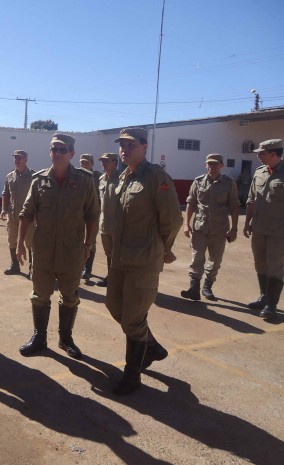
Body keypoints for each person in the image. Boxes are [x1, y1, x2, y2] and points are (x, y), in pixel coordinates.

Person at [106, 127, 182, 395]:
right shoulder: (123, 177)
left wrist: (163, 248)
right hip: (120, 258)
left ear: (144, 147)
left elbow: (172, 220)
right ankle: (152, 347)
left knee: (133, 319)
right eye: (122, 145)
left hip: (144, 260)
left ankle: (132, 375)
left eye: (131, 145)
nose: (124, 150)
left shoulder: (156, 177)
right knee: (115, 306)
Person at [16, 133, 99, 359]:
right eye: (54, 149)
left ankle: (66, 338)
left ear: (71, 153)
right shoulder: (39, 180)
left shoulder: (84, 180)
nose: (58, 153)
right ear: (50, 152)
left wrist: (88, 245)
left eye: (63, 150)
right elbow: (26, 214)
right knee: (40, 295)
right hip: (43, 251)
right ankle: (39, 338)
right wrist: (20, 244)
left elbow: (92, 215)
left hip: (71, 251)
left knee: (70, 296)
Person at [180, 154, 240, 301]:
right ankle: (194, 289)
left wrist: (234, 229)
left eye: (215, 164)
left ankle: (207, 287)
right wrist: (186, 224)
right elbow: (191, 203)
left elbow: (234, 206)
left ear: (221, 165)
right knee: (197, 258)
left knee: (215, 259)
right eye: (209, 164)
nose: (211, 166)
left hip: (219, 229)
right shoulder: (198, 181)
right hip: (200, 228)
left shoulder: (229, 183)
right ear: (206, 165)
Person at [243, 139, 284, 321]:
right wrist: (247, 223)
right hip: (259, 228)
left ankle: (271, 305)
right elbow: (251, 199)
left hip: (279, 231)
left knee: (275, 265)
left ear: (273, 154)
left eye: (262, 153)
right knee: (260, 263)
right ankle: (264, 297)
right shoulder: (259, 172)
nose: (259, 156)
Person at [1, 150, 36, 277]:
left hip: (28, 216)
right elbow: (5, 193)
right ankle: (15, 265)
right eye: (15, 158)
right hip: (12, 215)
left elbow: (37, 196)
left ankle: (33, 268)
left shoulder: (33, 176)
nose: (17, 160)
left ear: (25, 159)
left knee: (30, 242)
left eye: (19, 158)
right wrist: (3, 209)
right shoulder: (10, 176)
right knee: (12, 240)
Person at [96, 152, 121, 287]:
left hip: (117, 225)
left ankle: (118, 279)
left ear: (115, 163)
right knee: (109, 253)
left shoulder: (122, 179)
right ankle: (111, 277)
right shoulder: (102, 179)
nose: (103, 163)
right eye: (102, 161)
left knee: (118, 254)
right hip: (104, 223)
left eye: (106, 161)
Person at [79, 154, 102, 281]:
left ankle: (88, 270)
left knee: (91, 241)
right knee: (78, 239)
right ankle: (80, 266)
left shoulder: (98, 177)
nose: (83, 165)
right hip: (79, 214)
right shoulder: (77, 176)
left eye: (86, 162)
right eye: (81, 162)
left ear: (92, 163)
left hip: (93, 214)